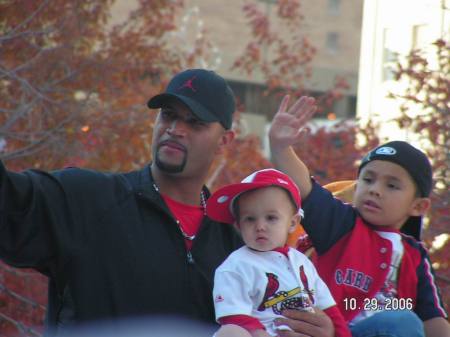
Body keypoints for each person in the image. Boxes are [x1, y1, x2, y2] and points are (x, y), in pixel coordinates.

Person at [0, 69, 334, 337]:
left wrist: (319, 329)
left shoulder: (242, 243)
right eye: (168, 115)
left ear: (224, 141)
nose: (175, 129)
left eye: (195, 122)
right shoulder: (87, 198)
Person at [268, 95, 450, 337]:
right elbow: (304, 188)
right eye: (368, 179)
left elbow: (432, 319)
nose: (375, 189)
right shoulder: (342, 224)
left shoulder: (415, 255)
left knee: (406, 321)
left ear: (418, 206)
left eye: (392, 185)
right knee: (402, 323)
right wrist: (281, 147)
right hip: (339, 330)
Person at [206, 168, 351, 337]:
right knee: (230, 331)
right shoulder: (236, 265)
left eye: (271, 218)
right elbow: (234, 315)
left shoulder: (302, 261)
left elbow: (330, 309)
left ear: (292, 223)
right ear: (238, 226)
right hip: (261, 332)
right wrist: (259, 333)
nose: (260, 226)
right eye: (250, 219)